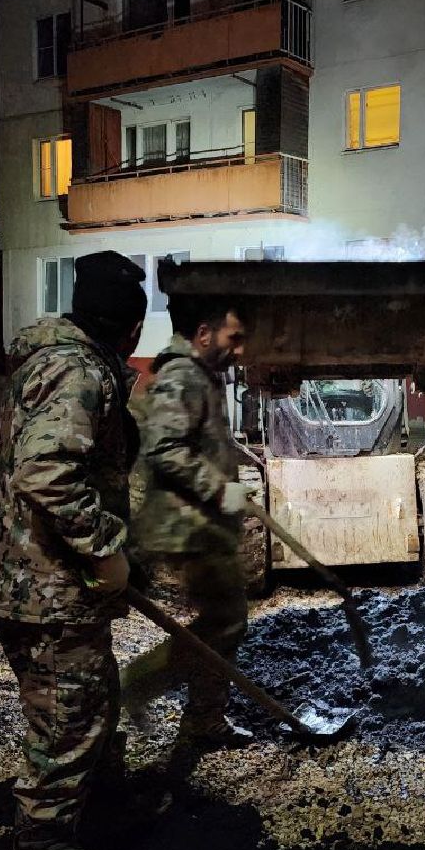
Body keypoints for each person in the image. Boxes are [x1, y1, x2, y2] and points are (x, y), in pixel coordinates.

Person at [0, 250, 146, 850]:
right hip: (41, 585)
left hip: (50, 579)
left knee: (94, 695)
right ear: (131, 328)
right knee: (67, 714)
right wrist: (105, 548)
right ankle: (41, 849)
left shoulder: (64, 361)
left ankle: (102, 809)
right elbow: (47, 472)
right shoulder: (75, 372)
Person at [126, 292, 252, 747]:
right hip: (186, 525)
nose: (239, 349)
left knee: (226, 619)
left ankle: (204, 719)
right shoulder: (182, 375)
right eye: (233, 338)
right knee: (225, 620)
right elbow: (163, 448)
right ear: (203, 333)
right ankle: (134, 687)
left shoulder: (202, 375)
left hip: (202, 522)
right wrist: (219, 488)